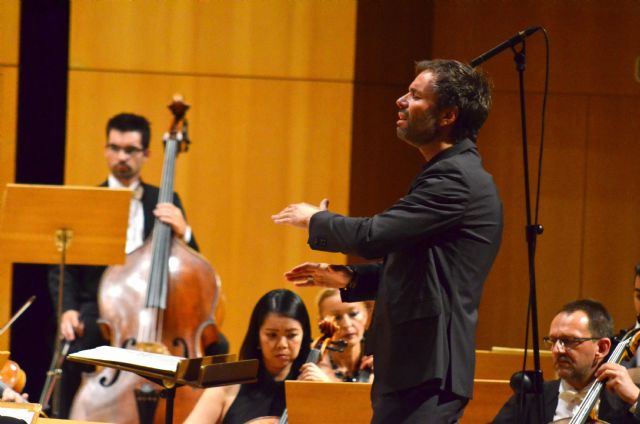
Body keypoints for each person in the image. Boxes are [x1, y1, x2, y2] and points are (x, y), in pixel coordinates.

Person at [272, 59, 503, 423]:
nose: (400, 101)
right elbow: (424, 272)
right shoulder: (446, 174)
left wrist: (314, 219)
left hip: (429, 369)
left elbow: (374, 236)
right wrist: (349, 278)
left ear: (447, 116)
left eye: (414, 95)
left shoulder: (455, 179)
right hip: (415, 370)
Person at [47, 113, 210, 418]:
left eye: (130, 149)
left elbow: (191, 264)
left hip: (155, 310)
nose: (121, 156)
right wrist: (67, 309)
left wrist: (184, 231)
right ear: (106, 149)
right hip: (98, 307)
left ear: (147, 154)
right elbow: (63, 267)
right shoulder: (89, 201)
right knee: (71, 348)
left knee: (216, 346)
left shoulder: (165, 198)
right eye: (114, 147)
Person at [493, 299, 640, 423]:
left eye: (569, 341)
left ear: (602, 348)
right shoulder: (530, 398)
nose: (557, 349)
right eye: (553, 340)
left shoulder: (627, 401)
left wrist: (636, 399)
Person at [184, 289, 312, 424]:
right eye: (272, 335)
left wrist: (328, 392)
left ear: (303, 336)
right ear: (257, 336)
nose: (282, 344)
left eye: (291, 335)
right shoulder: (228, 384)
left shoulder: (314, 384)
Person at [298, 288, 373, 383]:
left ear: (366, 315)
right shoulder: (311, 364)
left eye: (353, 314)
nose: (347, 324)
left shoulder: (380, 359)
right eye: (337, 317)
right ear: (322, 322)